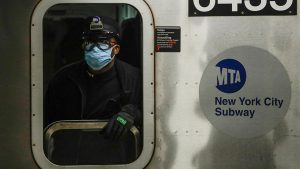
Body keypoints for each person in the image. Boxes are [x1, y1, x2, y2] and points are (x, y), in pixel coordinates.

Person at [44, 16, 142, 140]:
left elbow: (149, 113)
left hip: (114, 153)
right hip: (70, 154)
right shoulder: (63, 79)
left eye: (104, 43)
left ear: (116, 49)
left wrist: (130, 114)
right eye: (90, 42)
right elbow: (47, 122)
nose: (95, 49)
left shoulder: (134, 79)